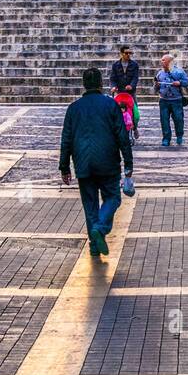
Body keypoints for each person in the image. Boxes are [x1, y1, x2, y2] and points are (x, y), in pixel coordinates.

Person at [59, 67, 133, 256]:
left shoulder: (74, 108)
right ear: (101, 84)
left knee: (90, 204)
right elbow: (122, 136)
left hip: (83, 163)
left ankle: (94, 245)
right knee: (113, 198)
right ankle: (99, 229)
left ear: (84, 85)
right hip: (108, 162)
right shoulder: (110, 105)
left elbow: (66, 138)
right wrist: (128, 163)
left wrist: (64, 166)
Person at [154, 53, 188, 146]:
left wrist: (179, 82)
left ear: (169, 62)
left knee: (178, 119)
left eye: (163, 60)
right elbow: (155, 88)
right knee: (164, 120)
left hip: (176, 100)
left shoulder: (179, 72)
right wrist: (156, 85)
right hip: (163, 100)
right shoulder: (160, 73)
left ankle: (179, 136)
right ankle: (166, 138)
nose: (161, 62)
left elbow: (186, 82)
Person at [109, 45, 140, 137]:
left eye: (130, 53)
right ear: (121, 53)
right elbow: (112, 78)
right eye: (126, 53)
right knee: (117, 111)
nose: (128, 55)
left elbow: (135, 77)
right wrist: (113, 86)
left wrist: (131, 85)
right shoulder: (115, 65)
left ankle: (135, 127)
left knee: (135, 112)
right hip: (120, 93)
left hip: (131, 92)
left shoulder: (134, 65)